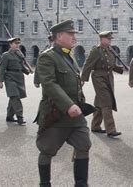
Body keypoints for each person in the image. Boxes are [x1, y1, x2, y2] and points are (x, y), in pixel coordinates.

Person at [35, 19, 92, 186]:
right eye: (71, 34)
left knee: (84, 145)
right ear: (59, 36)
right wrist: (68, 105)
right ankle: (45, 183)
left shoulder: (69, 56)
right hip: (56, 114)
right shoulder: (47, 57)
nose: (74, 37)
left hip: (76, 115)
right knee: (47, 149)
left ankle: (81, 184)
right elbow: (49, 84)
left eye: (74, 34)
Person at [81, 31, 124, 138]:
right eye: (108, 39)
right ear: (102, 39)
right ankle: (111, 129)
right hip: (98, 77)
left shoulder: (109, 50)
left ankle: (95, 125)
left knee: (100, 101)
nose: (110, 41)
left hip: (109, 77)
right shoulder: (96, 50)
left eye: (110, 39)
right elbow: (88, 65)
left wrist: (120, 69)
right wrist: (83, 79)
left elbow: (110, 64)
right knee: (107, 102)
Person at [0, 37, 31, 125]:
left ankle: (9, 116)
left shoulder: (19, 55)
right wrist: (0, 81)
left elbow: (21, 66)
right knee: (15, 96)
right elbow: (2, 68)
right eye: (15, 43)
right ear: (10, 44)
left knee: (13, 97)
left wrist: (27, 70)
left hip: (19, 78)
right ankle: (20, 116)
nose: (17, 45)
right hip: (10, 77)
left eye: (18, 43)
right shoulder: (6, 55)